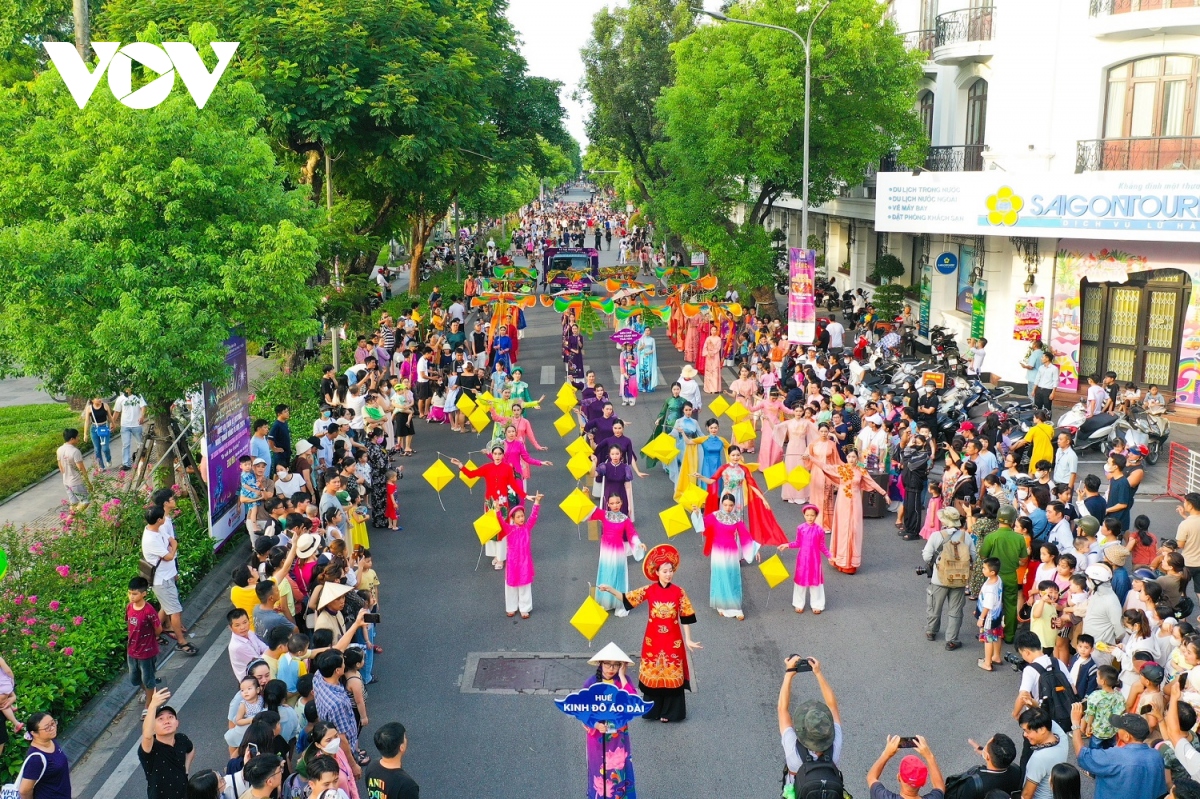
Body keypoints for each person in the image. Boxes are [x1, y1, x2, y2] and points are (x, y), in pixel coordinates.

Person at [597, 545, 701, 723]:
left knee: (671, 674)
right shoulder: (649, 590)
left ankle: (670, 712)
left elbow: (686, 616)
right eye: (665, 571)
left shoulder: (679, 592)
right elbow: (628, 598)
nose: (668, 574)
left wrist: (688, 639)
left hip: (673, 641)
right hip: (653, 641)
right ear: (657, 572)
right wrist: (609, 590)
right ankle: (653, 710)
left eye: (670, 571)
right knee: (654, 674)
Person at [777, 656, 844, 799]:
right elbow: (833, 706)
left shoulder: (794, 754)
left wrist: (789, 673)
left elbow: (782, 709)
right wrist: (818, 673)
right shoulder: (834, 749)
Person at [1070, 706, 1167, 799]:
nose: (1117, 730)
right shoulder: (1156, 755)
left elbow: (1082, 754)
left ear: (1127, 736)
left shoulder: (1115, 756)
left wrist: (1076, 725)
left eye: (1119, 727)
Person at [580, 643, 638, 799]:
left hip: (619, 735)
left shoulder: (623, 681)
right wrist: (596, 725)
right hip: (597, 737)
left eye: (616, 665)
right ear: (601, 663)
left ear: (621, 666)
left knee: (619, 768)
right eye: (607, 664)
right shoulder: (591, 683)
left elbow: (633, 702)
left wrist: (623, 676)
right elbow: (583, 711)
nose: (611, 668)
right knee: (598, 770)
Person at [923, 507, 975, 651]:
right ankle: (952, 640)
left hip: (939, 579)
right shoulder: (966, 537)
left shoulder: (936, 536)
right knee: (955, 610)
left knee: (934, 606)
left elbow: (927, 556)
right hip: (959, 580)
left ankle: (931, 631)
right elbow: (973, 557)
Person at [978, 505, 1028, 644]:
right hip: (1011, 576)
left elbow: (983, 555)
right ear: (1013, 520)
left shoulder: (991, 537)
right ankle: (1009, 635)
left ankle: (989, 630)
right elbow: (1024, 559)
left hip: (993, 577)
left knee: (990, 604)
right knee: (1010, 606)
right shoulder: (1019, 538)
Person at [139, 688, 194, 799]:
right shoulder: (151, 747)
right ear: (153, 727)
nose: (167, 721)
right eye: (160, 719)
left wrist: (186, 770)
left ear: (177, 722)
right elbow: (147, 735)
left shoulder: (182, 739)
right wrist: (152, 705)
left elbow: (191, 750)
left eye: (170, 717)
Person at [496, 494, 543, 619]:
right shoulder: (509, 529)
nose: (522, 518)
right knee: (511, 585)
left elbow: (533, 517)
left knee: (524, 585)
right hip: (512, 562)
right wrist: (497, 511)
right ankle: (511, 608)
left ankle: (524, 608)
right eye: (518, 517)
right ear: (513, 518)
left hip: (524, 562)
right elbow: (500, 521)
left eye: (522, 516)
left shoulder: (527, 528)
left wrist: (537, 502)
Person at [778, 504, 831, 614]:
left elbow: (822, 546)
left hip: (815, 560)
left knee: (815, 582)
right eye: (807, 515)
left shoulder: (820, 530)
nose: (810, 517)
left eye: (812, 515)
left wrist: (830, 557)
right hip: (802, 560)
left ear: (816, 516)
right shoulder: (801, 528)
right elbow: (798, 543)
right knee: (800, 581)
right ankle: (798, 603)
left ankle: (817, 604)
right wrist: (787, 545)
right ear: (804, 515)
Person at [865, 735, 945, 799]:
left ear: (899, 777)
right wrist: (929, 756)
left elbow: (871, 777)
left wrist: (886, 754)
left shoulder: (883, 796)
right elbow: (939, 786)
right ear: (924, 782)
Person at [943, 734, 1022, 799]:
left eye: (986, 747)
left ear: (987, 756)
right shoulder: (1017, 771)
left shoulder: (973, 783)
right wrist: (986, 753)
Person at [126, 576, 163, 710]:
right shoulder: (129, 607)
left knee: (148, 679)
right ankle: (149, 693)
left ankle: (150, 705)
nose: (131, 596)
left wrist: (150, 639)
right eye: (129, 593)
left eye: (135, 594)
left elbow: (158, 629)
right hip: (132, 650)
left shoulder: (149, 611)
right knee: (134, 679)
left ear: (144, 594)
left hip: (146, 653)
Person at [16, 711, 71, 799]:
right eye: (47, 728)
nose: (53, 728)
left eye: (53, 723)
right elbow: (24, 791)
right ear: (34, 733)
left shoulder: (50, 741)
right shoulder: (36, 759)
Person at [1018, 708, 1069, 799]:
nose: (1024, 735)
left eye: (1027, 731)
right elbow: (1047, 720)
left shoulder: (1039, 759)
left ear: (1042, 730)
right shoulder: (1062, 737)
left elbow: (1027, 795)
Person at [56, 428, 91, 509]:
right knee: (85, 502)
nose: (79, 438)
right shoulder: (75, 451)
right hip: (76, 482)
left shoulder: (59, 449)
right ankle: (72, 518)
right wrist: (88, 482)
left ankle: (70, 520)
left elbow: (60, 467)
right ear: (72, 439)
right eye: (77, 437)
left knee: (74, 503)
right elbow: (81, 468)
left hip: (66, 481)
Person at [114, 386, 147, 470]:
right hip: (125, 425)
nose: (127, 389)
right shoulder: (120, 399)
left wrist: (142, 416)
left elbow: (143, 407)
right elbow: (117, 412)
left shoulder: (138, 396)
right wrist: (112, 422)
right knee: (126, 445)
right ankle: (126, 464)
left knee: (140, 443)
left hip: (136, 424)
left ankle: (142, 459)